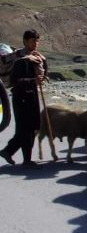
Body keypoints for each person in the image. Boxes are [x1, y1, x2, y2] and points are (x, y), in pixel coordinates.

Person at [0, 29, 47, 166]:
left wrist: (43, 65)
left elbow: (42, 75)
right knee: (24, 129)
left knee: (33, 127)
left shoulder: (36, 57)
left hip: (32, 95)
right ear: (25, 41)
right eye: (33, 41)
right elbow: (15, 81)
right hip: (20, 96)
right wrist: (33, 81)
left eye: (37, 41)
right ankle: (26, 159)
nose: (35, 43)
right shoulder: (18, 59)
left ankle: (8, 152)